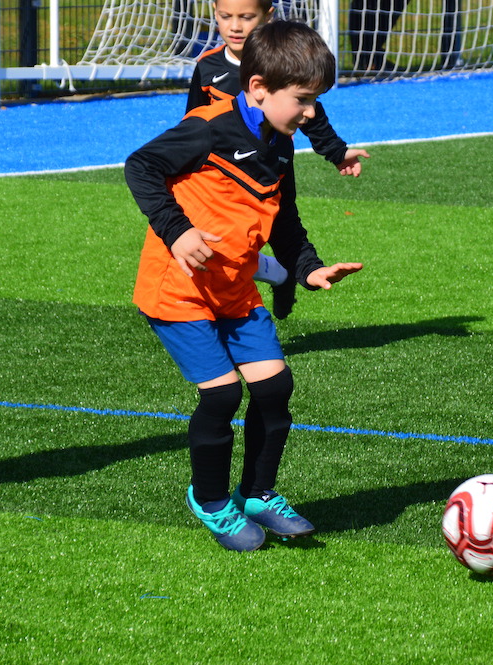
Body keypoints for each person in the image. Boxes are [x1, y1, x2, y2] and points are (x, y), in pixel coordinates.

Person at [125, 20, 363, 551]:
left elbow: (284, 220)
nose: (311, 113)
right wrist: (178, 231)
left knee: (275, 388)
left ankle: (257, 494)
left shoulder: (282, 143)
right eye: (303, 100)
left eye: (315, 101)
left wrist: (307, 268)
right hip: (179, 289)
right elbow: (140, 166)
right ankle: (210, 501)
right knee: (223, 394)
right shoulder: (209, 127)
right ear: (258, 88)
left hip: (234, 288)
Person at [187, 0, 370, 319]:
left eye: (246, 17)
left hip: (273, 163)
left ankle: (286, 273)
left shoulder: (283, 67)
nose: (235, 26)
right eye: (225, 16)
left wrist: (337, 152)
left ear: (267, 16)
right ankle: (274, 276)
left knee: (276, 222)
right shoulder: (207, 66)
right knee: (221, 236)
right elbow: (193, 118)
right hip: (221, 172)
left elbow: (312, 114)